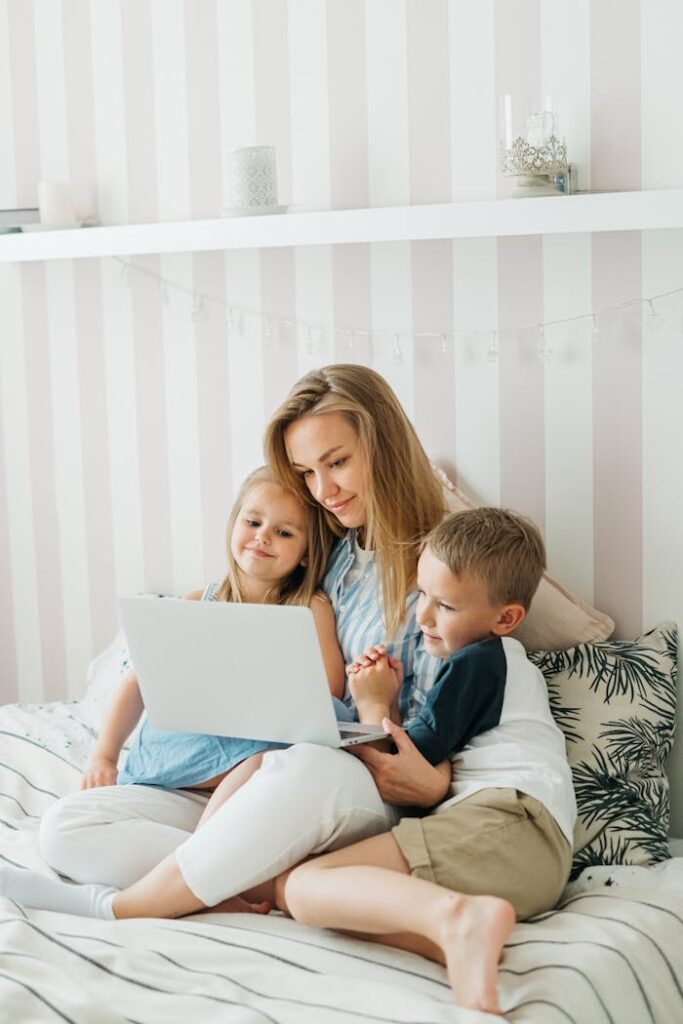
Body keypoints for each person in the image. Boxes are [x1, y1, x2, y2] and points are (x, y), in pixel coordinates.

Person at [2, 365, 449, 919]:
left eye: (336, 463)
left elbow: (435, 715)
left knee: (301, 764)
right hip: (238, 797)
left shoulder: (442, 563)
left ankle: (122, 908)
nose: (323, 491)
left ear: (383, 447)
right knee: (65, 827)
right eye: (309, 472)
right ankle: (265, 880)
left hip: (336, 777)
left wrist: (402, 740)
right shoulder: (337, 545)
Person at [0, 465, 345, 915]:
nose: (262, 537)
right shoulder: (195, 606)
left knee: (255, 787)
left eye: (283, 533)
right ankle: (233, 879)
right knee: (62, 828)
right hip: (173, 791)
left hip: (246, 793)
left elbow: (330, 691)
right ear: (234, 524)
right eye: (253, 522)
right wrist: (104, 756)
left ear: (304, 553)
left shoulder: (308, 608)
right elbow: (135, 686)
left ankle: (207, 881)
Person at [275, 507, 577, 1015]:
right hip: (519, 852)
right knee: (328, 900)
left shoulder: (483, 660)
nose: (422, 618)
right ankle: (460, 941)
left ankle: (459, 923)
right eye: (422, 596)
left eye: (446, 606)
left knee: (302, 886)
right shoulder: (489, 666)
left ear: (505, 619)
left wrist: (373, 702)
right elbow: (419, 762)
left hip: (512, 825)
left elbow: (404, 759)